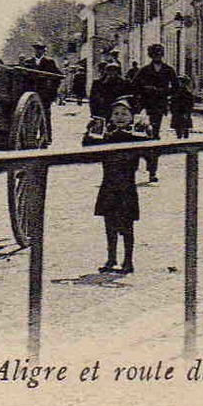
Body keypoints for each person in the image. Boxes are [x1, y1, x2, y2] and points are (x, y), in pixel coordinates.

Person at [84, 98, 152, 274]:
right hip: (108, 186)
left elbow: (150, 155)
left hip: (127, 188)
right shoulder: (107, 137)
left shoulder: (136, 137)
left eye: (124, 114)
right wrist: (89, 132)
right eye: (116, 114)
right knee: (109, 225)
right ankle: (111, 258)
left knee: (127, 227)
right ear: (110, 117)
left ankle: (128, 261)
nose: (120, 117)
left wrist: (148, 133)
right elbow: (88, 152)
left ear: (132, 117)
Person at [131, 43, 179, 182]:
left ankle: (152, 171)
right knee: (139, 136)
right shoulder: (144, 70)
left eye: (159, 53)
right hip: (144, 108)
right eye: (154, 53)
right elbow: (134, 86)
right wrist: (145, 90)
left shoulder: (169, 70)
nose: (157, 55)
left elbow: (176, 88)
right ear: (150, 55)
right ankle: (133, 170)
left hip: (158, 108)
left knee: (154, 137)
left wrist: (163, 92)